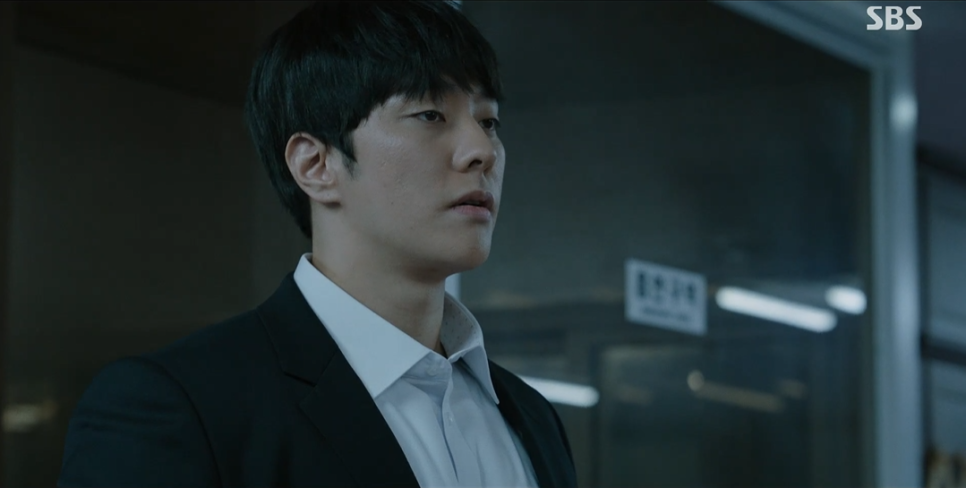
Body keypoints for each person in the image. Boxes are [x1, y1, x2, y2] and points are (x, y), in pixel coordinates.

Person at [57, 1, 577, 487]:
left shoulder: (530, 415)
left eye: (488, 121)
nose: (482, 150)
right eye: (430, 115)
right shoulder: (178, 406)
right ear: (315, 164)